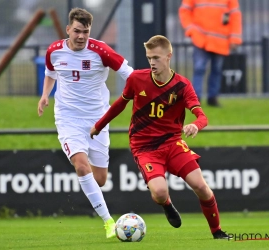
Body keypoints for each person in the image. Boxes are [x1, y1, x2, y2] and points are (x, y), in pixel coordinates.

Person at [90, 35, 231, 239]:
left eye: (156, 57)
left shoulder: (182, 86)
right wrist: (98, 125)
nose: (152, 62)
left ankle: (217, 232)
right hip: (144, 146)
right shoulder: (137, 79)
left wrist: (195, 125)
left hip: (173, 143)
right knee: (160, 192)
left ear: (168, 56)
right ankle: (166, 205)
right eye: (149, 58)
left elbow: (202, 116)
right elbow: (120, 103)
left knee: (201, 186)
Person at [37, 8, 133, 239]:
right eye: (77, 31)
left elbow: (129, 74)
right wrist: (44, 95)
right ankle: (109, 222)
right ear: (68, 29)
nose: (81, 36)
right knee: (81, 165)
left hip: (98, 120)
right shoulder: (54, 51)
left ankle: (91, 187)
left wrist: (150, 92)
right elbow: (50, 73)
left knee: (99, 179)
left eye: (86, 32)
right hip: (68, 118)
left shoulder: (101, 51)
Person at [179, 0, 242, 107]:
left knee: (216, 70)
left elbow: (235, 15)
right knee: (200, 68)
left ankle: (212, 98)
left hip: (219, 39)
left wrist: (234, 39)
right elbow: (185, 11)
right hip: (201, 38)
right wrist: (191, 30)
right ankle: (196, 98)